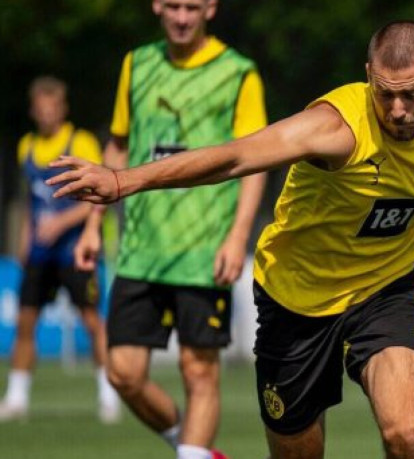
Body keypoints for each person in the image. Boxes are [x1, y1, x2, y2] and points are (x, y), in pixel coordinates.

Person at [49, 21, 414, 459]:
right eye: (385, 93)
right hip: (295, 302)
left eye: (412, 95)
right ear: (368, 78)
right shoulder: (335, 127)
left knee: (407, 433)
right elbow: (233, 156)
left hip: (384, 293)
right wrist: (123, 180)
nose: (398, 111)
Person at [72, 1, 267, 458]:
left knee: (198, 371)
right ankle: (191, 447)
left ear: (211, 8)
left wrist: (238, 236)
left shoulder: (238, 72)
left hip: (204, 250)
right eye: (174, 6)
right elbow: (118, 145)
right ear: (157, 5)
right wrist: (92, 224)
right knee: (122, 373)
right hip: (142, 247)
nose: (182, 17)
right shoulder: (136, 64)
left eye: (193, 7)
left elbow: (254, 161)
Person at [0, 76, 120, 423]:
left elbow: (99, 196)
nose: (46, 114)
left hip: (74, 250)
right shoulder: (27, 146)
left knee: (92, 321)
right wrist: (26, 238)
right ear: (33, 111)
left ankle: (107, 394)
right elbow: (30, 201)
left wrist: (61, 224)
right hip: (40, 253)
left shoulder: (79, 142)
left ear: (62, 109)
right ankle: (17, 397)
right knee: (26, 321)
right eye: (40, 108)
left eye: (52, 107)